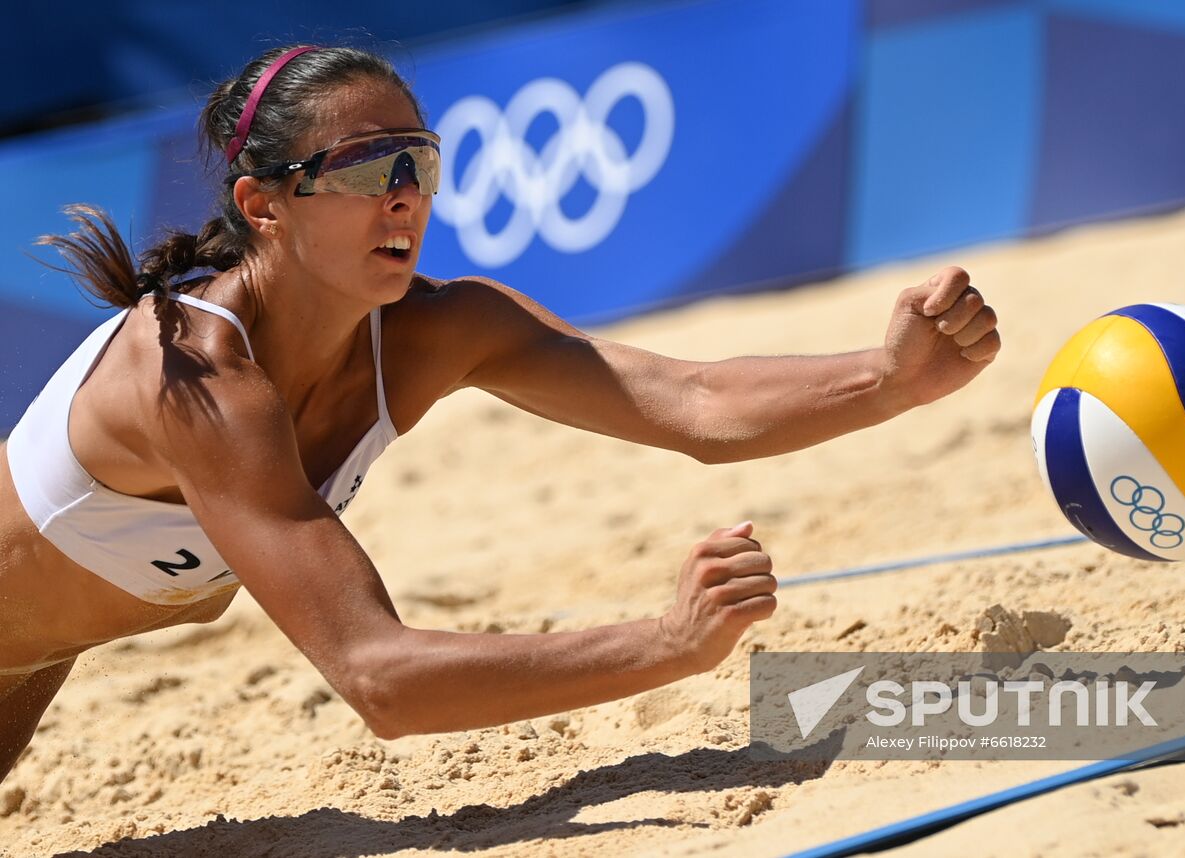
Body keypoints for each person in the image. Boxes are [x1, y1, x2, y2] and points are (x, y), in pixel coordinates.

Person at [0, 45, 1000, 783]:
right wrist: (668, 643)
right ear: (264, 206)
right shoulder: (200, 375)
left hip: (34, 654)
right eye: (363, 168)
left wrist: (887, 379)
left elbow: (693, 402)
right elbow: (377, 677)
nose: (403, 197)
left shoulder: (439, 329)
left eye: (417, 162)